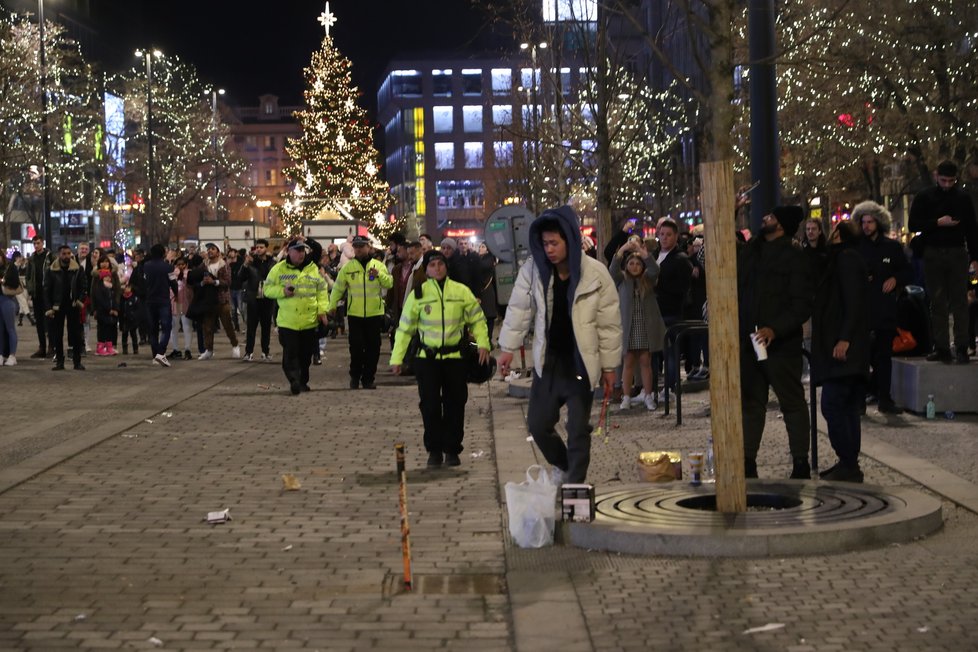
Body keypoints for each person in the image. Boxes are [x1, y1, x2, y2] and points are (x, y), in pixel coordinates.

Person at [497, 206, 622, 484]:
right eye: (545, 243)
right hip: (549, 361)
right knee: (538, 426)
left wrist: (610, 367)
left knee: (578, 429)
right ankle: (565, 467)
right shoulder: (533, 271)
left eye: (555, 242)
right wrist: (507, 348)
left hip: (581, 362)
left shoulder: (596, 274)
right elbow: (519, 310)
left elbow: (609, 325)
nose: (549, 249)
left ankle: (575, 485)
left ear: (570, 239)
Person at [390, 249, 490, 466]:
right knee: (430, 405)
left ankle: (452, 449)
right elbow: (405, 329)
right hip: (427, 359)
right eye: (432, 265)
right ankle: (434, 450)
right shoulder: (418, 294)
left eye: (440, 264)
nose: (437, 268)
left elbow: (477, 320)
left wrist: (483, 343)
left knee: (456, 404)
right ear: (426, 270)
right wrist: (396, 358)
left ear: (446, 266)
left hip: (455, 357)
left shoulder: (461, 291)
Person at [738, 205, 813, 479]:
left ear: (781, 224)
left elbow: (802, 304)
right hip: (749, 341)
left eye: (770, 216)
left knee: (791, 402)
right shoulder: (752, 250)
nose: (764, 218)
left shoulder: (794, 255)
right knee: (751, 403)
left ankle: (800, 462)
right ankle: (747, 461)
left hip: (780, 345)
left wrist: (775, 329)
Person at [812, 220, 870, 482]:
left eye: (834, 232)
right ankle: (849, 463)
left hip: (845, 348)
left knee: (833, 404)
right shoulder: (845, 258)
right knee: (845, 407)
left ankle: (848, 461)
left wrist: (844, 339)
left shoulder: (846, 259)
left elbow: (855, 303)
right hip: (846, 345)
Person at [908, 160, 978, 363]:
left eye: (951, 181)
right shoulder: (925, 197)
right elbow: (913, 224)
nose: (947, 185)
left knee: (959, 302)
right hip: (934, 252)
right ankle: (942, 347)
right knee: (937, 302)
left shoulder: (963, 198)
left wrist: (974, 258)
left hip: (956, 251)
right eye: (944, 180)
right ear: (937, 176)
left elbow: (972, 229)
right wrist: (937, 223)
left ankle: (961, 346)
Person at [853, 200, 911, 414]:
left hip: (884, 310)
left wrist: (895, 279)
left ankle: (884, 399)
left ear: (879, 222)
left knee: (884, 357)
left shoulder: (892, 247)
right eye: (863, 222)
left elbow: (907, 271)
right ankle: (860, 401)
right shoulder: (856, 246)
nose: (867, 225)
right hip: (862, 310)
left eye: (870, 221)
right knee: (862, 358)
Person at [263, 240, 330, 395]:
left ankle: (303, 381)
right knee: (290, 354)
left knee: (305, 356)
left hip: (309, 321)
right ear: (289, 252)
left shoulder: (313, 269)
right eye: (298, 250)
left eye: (303, 250)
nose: (301, 253)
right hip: (288, 322)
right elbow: (267, 289)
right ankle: (294, 380)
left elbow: (322, 292)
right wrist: (282, 291)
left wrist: (322, 311)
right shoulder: (278, 269)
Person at [328, 235, 392, 389]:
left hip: (374, 314)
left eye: (361, 246)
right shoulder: (348, 268)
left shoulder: (378, 266)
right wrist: (332, 305)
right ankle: (355, 377)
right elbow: (337, 288)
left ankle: (368, 378)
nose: (358, 249)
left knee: (373, 348)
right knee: (356, 348)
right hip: (355, 315)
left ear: (368, 247)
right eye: (356, 246)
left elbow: (389, 283)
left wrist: (379, 275)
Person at [609, 238, 666, 411]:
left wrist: (644, 254)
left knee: (645, 362)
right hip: (628, 327)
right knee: (628, 363)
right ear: (626, 266)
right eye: (631, 263)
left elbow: (655, 269)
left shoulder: (648, 279)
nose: (634, 266)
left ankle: (648, 395)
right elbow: (612, 269)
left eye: (638, 263)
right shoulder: (622, 279)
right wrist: (623, 249)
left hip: (645, 327)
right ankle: (626, 397)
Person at [654, 218, 693, 400]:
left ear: (676, 236)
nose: (664, 238)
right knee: (655, 352)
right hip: (653, 312)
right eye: (662, 234)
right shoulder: (655, 255)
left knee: (669, 352)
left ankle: (670, 387)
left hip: (671, 311)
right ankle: (653, 388)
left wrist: (659, 284)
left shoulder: (681, 259)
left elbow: (682, 288)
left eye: (668, 235)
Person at [44, 245, 87, 371]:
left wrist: (79, 300)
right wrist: (49, 307)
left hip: (73, 305)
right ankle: (59, 362)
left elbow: (83, 286)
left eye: (68, 253)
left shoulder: (77, 269)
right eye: (64, 253)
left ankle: (77, 362)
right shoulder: (51, 270)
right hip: (57, 306)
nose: (66, 256)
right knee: (57, 335)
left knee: (75, 334)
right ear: (59, 255)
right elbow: (46, 290)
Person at [196, 242, 241, 361]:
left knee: (227, 325)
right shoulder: (204, 265)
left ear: (218, 251)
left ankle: (235, 345)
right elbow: (197, 278)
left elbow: (227, 282)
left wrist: (214, 282)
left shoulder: (224, 265)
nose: (209, 251)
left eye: (212, 249)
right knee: (208, 326)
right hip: (208, 300)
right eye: (208, 249)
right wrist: (202, 283)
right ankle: (209, 350)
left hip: (222, 300)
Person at [239, 239, 276, 361]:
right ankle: (248, 352)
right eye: (257, 247)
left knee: (266, 327)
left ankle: (265, 351)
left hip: (267, 298)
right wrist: (245, 264)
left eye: (261, 247)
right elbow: (240, 277)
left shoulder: (271, 262)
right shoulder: (251, 262)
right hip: (253, 298)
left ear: (266, 248)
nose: (258, 249)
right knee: (251, 327)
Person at [24, 235, 52, 359]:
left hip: (48, 294)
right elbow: (28, 275)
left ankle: (52, 347)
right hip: (37, 294)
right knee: (39, 322)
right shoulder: (32, 259)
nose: (36, 245)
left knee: (50, 321)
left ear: (43, 243)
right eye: (34, 243)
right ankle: (42, 347)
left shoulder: (50, 257)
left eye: (38, 243)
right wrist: (30, 289)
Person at [90, 259, 121, 356]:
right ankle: (101, 348)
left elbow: (116, 294)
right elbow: (97, 297)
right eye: (102, 262)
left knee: (111, 328)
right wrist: (108, 309)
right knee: (102, 329)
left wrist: (116, 308)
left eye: (106, 262)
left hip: (111, 311)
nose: (104, 264)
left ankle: (109, 347)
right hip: (103, 311)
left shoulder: (111, 287)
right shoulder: (99, 286)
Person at [0, 252, 23, 366]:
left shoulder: (10, 267)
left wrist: (3, 281)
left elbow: (15, 282)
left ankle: (12, 355)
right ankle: (0, 355)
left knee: (10, 328)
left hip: (7, 299)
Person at [476, 242, 499, 338]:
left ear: (487, 249)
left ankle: (488, 339)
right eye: (480, 246)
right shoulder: (480, 259)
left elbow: (482, 267)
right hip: (481, 291)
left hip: (487, 292)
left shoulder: (489, 259)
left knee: (488, 316)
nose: (480, 248)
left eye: (483, 246)